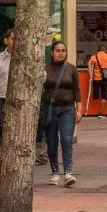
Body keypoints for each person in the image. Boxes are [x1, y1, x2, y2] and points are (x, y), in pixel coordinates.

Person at [40, 40, 83, 186]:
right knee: (52, 142)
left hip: (67, 109)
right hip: (49, 109)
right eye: (58, 50)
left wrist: (79, 109)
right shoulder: (45, 68)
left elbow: (77, 90)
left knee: (66, 139)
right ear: (52, 52)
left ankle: (68, 173)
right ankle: (54, 171)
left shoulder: (71, 69)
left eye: (63, 50)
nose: (61, 53)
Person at [86, 47, 107, 116]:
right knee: (104, 96)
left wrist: (90, 76)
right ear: (104, 50)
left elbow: (89, 66)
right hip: (106, 78)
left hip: (96, 78)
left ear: (98, 50)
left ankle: (93, 110)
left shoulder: (93, 57)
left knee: (96, 95)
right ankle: (101, 112)